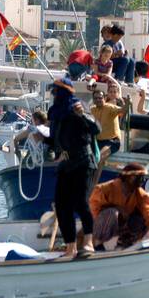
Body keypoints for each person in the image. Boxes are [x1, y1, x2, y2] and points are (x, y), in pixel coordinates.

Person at [48, 77, 99, 260]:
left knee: (80, 202)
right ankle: (70, 248)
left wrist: (83, 115)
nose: (53, 94)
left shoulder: (78, 107)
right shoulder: (54, 113)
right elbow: (55, 140)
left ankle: (88, 241)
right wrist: (41, 138)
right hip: (65, 164)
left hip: (82, 161)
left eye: (56, 91)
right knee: (62, 206)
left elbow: (96, 129)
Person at [90, 163, 149, 250]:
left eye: (144, 178)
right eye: (139, 177)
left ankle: (125, 244)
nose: (142, 180)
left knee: (142, 218)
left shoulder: (142, 195)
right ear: (128, 177)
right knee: (111, 213)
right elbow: (93, 211)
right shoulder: (104, 189)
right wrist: (116, 208)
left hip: (123, 227)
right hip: (100, 226)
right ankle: (97, 245)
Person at [91, 87, 126, 165]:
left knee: (99, 158)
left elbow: (123, 110)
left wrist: (127, 103)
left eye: (100, 98)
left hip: (112, 141)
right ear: (93, 100)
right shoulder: (92, 109)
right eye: (96, 98)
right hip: (97, 141)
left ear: (104, 98)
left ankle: (94, 178)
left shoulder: (109, 107)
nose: (98, 100)